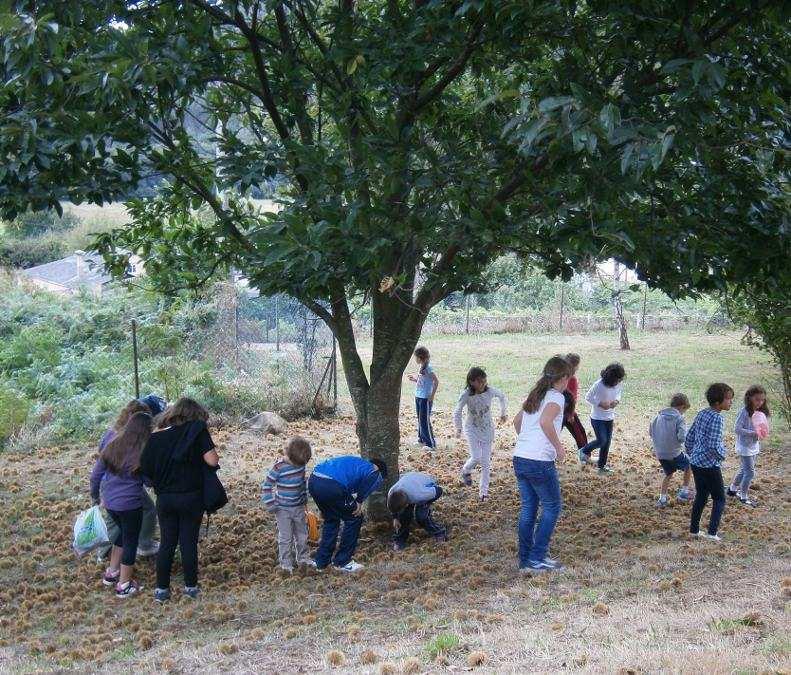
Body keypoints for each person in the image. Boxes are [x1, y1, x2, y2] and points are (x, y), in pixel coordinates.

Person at [139, 398, 219, 602]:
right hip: (191, 496)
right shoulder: (197, 431)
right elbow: (212, 460)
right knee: (188, 542)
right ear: (196, 414)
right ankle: (190, 587)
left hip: (165, 498)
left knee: (167, 542)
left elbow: (145, 470)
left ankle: (161, 590)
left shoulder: (156, 437)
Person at [512, 355, 570, 573]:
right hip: (539, 461)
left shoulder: (536, 395)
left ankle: (526, 560)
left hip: (521, 457)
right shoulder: (556, 397)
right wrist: (559, 448)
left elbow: (517, 422)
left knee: (529, 508)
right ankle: (537, 558)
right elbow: (546, 422)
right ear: (563, 378)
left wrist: (526, 441)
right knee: (552, 507)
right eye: (568, 379)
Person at [90, 412, 153, 598]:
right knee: (131, 541)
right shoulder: (141, 452)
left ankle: (111, 573)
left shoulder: (112, 445)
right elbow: (148, 481)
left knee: (123, 535)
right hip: (131, 505)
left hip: (110, 502)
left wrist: (95, 496)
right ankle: (124, 585)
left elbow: (95, 475)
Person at [97, 400, 160, 560]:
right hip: (126, 484)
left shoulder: (111, 432)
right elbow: (142, 471)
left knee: (114, 519)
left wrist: (96, 491)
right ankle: (143, 544)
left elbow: (101, 459)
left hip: (110, 482)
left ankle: (104, 553)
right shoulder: (129, 437)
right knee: (146, 511)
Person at [307, 455, 386, 572]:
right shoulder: (373, 470)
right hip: (331, 484)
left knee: (331, 519)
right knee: (355, 517)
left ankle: (321, 562)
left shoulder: (356, 464)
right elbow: (374, 478)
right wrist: (359, 501)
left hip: (314, 480)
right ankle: (342, 562)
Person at [686, 383, 734, 542]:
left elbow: (690, 436)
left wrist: (692, 453)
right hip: (709, 465)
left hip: (696, 462)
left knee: (701, 495)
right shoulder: (717, 418)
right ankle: (712, 533)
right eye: (728, 399)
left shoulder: (702, 413)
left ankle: (694, 530)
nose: (731, 402)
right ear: (717, 402)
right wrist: (721, 456)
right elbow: (713, 445)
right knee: (720, 498)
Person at [262, 436, 316, 572]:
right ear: (290, 456)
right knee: (286, 537)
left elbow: (302, 483)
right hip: (282, 509)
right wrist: (270, 503)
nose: (301, 467)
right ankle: (286, 563)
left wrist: (304, 499)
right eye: (298, 464)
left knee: (302, 535)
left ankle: (303, 558)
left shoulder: (301, 463)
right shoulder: (278, 467)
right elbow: (267, 486)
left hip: (298, 506)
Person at [453, 367, 507, 501]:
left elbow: (502, 397)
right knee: (476, 456)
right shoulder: (466, 394)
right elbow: (457, 411)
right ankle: (466, 470)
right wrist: (458, 428)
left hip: (487, 430)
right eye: (480, 382)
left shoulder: (490, 391)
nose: (483, 384)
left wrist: (503, 413)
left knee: (485, 463)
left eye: (484, 381)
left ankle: (484, 492)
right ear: (472, 382)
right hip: (472, 429)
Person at [578, 362, 626, 474]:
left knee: (607, 443)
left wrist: (617, 401)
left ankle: (601, 467)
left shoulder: (618, 384)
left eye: (620, 380)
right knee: (601, 440)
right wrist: (599, 403)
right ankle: (584, 451)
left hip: (609, 417)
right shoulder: (599, 384)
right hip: (597, 418)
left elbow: (619, 393)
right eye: (617, 380)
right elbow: (588, 397)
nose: (619, 382)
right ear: (610, 378)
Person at [727, 385, 770, 507]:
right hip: (744, 446)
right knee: (750, 472)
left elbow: (762, 426)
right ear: (749, 398)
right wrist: (752, 433)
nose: (760, 402)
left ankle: (732, 489)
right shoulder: (744, 412)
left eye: (762, 400)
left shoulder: (760, 412)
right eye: (757, 399)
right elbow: (737, 429)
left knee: (744, 469)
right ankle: (743, 496)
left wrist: (763, 432)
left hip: (754, 445)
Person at [649, 393, 693, 506]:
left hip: (660, 453)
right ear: (682, 406)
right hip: (674, 452)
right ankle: (684, 491)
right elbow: (682, 437)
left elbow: (651, 432)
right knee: (689, 465)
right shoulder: (679, 418)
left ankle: (662, 499)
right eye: (684, 410)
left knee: (668, 474)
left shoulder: (658, 416)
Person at [388, 472, 447, 550]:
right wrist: (395, 518)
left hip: (426, 483)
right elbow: (392, 506)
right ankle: (400, 540)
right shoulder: (391, 492)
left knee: (421, 516)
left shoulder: (420, 495)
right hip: (410, 480)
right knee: (404, 515)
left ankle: (439, 533)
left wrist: (425, 503)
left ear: (406, 504)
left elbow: (439, 490)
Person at [408, 346, 439, 450]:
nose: (415, 359)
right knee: (420, 419)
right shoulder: (422, 367)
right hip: (418, 396)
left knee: (424, 420)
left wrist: (432, 395)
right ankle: (421, 439)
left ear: (420, 357)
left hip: (426, 398)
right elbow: (423, 381)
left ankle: (431, 444)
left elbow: (436, 381)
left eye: (416, 357)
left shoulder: (429, 368)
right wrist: (414, 379)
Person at [562, 353, 588, 449]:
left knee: (553, 433)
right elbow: (571, 398)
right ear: (576, 366)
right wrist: (571, 414)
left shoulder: (561, 376)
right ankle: (585, 455)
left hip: (558, 411)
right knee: (579, 433)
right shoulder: (571, 379)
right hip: (566, 411)